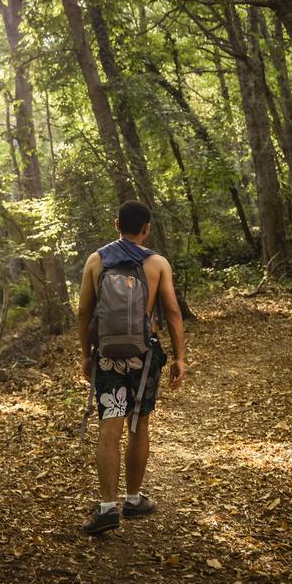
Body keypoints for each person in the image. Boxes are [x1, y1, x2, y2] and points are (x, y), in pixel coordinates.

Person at [77, 200, 187, 535]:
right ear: (147, 228)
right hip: (145, 353)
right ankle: (134, 499)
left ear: (116, 224)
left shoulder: (96, 260)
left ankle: (108, 507)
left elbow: (83, 312)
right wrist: (180, 357)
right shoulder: (157, 263)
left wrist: (86, 354)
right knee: (139, 422)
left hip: (108, 354)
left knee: (109, 425)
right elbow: (171, 313)